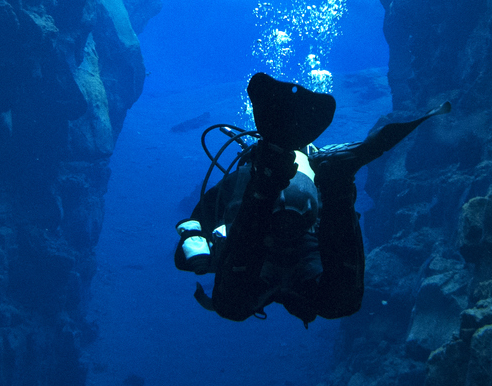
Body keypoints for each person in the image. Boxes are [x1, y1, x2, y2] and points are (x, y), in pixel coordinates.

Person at [174, 73, 449, 327]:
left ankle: (268, 185)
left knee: (232, 305)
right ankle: (338, 185)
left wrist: (205, 255)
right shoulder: (312, 173)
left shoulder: (238, 179)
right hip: (307, 253)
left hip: (259, 254)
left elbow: (187, 245)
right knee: (340, 302)